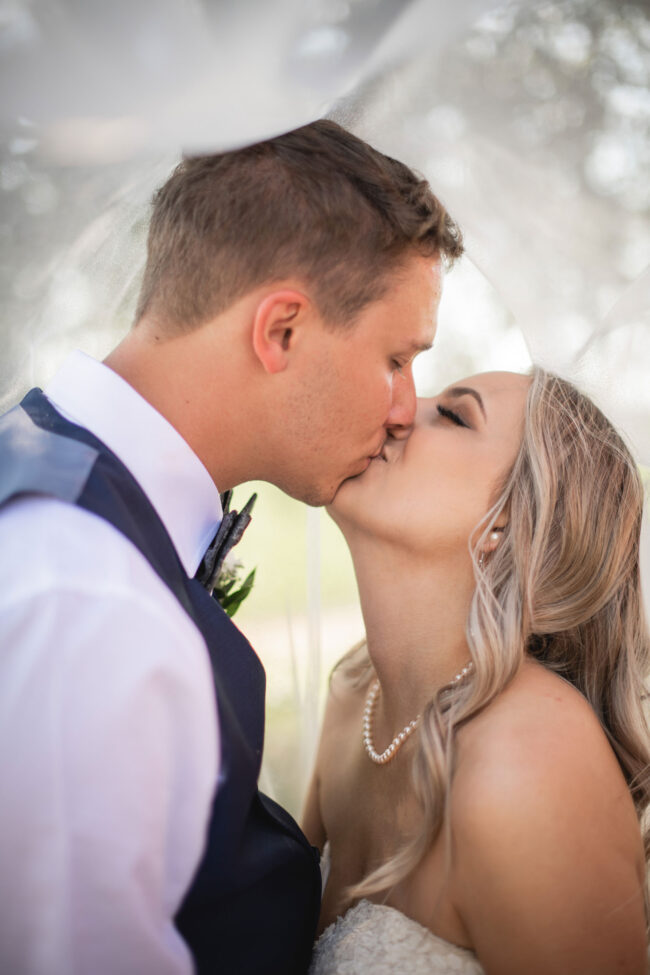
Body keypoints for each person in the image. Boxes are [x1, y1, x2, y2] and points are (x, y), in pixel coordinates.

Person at [0, 120, 463, 975]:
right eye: (396, 358)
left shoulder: (63, 491)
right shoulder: (85, 595)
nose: (406, 408)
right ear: (281, 329)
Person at [303, 368, 650, 974]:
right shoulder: (353, 693)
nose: (400, 407)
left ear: (506, 520)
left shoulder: (531, 759)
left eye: (455, 415)